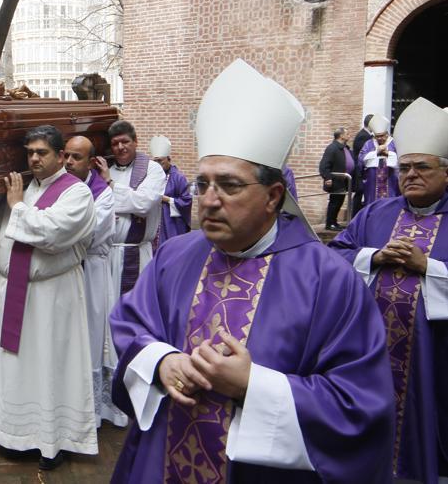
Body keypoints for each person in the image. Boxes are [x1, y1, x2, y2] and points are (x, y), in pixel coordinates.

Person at [109, 59, 394, 483]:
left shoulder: (329, 280)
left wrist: (252, 386)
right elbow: (132, 323)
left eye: (229, 185)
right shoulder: (175, 255)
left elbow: (360, 403)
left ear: (274, 196)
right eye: (203, 183)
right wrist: (161, 361)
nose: (208, 200)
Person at [0, 125, 96, 470]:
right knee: (18, 366)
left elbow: (51, 233)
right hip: (14, 292)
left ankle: (53, 441)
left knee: (51, 365)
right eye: (30, 152)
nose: (34, 158)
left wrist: (17, 206)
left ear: (61, 156)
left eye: (42, 152)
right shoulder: (21, 189)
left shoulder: (76, 193)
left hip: (53, 296)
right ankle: (15, 435)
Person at [330, 97, 448, 483]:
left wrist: (426, 267)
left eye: (422, 167)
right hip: (373, 351)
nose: (410, 174)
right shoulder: (376, 213)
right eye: (405, 167)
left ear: (446, 173)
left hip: (435, 358)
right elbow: (337, 255)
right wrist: (374, 256)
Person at [64, 135, 127, 428]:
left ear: (91, 162)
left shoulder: (102, 193)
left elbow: (86, 235)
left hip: (91, 273)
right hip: (65, 272)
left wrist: (57, 232)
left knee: (91, 333)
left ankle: (92, 410)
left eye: (76, 157)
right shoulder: (59, 187)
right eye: (66, 155)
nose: (68, 162)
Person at [94, 120, 166, 294]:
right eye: (115, 144)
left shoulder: (153, 169)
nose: (120, 147)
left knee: (135, 308)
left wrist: (110, 184)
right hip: (108, 254)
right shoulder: (106, 169)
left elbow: (143, 204)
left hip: (138, 255)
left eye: (125, 141)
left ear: (135, 141)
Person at [149, 135, 191, 248]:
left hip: (171, 223)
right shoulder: (151, 176)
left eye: (160, 161)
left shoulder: (178, 177)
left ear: (168, 159)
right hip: (154, 220)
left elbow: (187, 201)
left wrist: (166, 199)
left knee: (170, 249)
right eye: (155, 161)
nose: (157, 164)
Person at [359, 114, 399, 208]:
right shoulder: (368, 144)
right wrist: (376, 152)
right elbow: (361, 159)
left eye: (382, 136)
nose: (380, 138)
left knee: (391, 205)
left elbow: (402, 159)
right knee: (373, 206)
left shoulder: (394, 143)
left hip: (391, 181)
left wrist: (388, 154)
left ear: (387, 134)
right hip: (372, 182)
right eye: (377, 136)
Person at [318, 127, 352, 230]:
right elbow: (323, 165)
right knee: (334, 202)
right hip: (335, 180)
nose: (349, 135)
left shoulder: (344, 147)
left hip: (343, 180)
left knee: (339, 202)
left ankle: (334, 222)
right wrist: (327, 178)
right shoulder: (332, 148)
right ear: (341, 136)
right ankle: (330, 224)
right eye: (347, 133)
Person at [352, 114, 375, 215]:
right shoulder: (363, 136)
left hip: (361, 171)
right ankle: (355, 217)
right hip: (360, 171)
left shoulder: (366, 135)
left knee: (360, 193)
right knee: (359, 193)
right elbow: (363, 155)